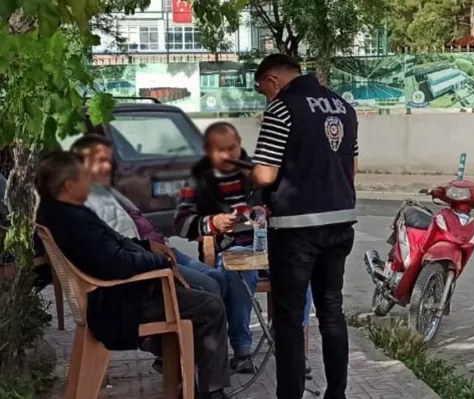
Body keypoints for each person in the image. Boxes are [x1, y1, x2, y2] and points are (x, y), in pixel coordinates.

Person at [35, 151, 230, 399]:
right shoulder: (72, 220)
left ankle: (186, 379)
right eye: (85, 177)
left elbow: (112, 246)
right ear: (68, 185)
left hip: (113, 296)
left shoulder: (59, 211)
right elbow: (116, 263)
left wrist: (148, 247)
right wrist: (161, 262)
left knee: (198, 294)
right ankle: (210, 392)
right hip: (118, 304)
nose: (90, 182)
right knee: (209, 305)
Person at [250, 54, 358, 399]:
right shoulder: (344, 107)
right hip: (341, 221)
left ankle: (290, 395)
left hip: (297, 227)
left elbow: (266, 173)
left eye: (263, 91)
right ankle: (336, 393)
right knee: (332, 311)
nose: (266, 98)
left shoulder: (282, 108)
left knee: (289, 317)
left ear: (271, 81)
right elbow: (352, 168)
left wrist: (249, 177)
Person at [174, 121, 313, 374]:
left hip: (271, 247)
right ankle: (242, 351)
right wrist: (211, 222)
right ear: (208, 150)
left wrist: (268, 212)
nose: (229, 155)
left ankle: (292, 350)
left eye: (233, 147)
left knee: (301, 274)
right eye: (221, 150)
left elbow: (287, 204)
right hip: (233, 250)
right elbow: (181, 223)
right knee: (237, 277)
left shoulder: (258, 173)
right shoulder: (198, 179)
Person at [69, 134, 226, 298]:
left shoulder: (102, 190)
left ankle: (232, 324)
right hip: (150, 263)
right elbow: (115, 251)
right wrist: (157, 260)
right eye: (100, 161)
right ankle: (211, 321)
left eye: (109, 161)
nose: (108, 166)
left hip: (158, 251)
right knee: (211, 284)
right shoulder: (84, 201)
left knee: (218, 277)